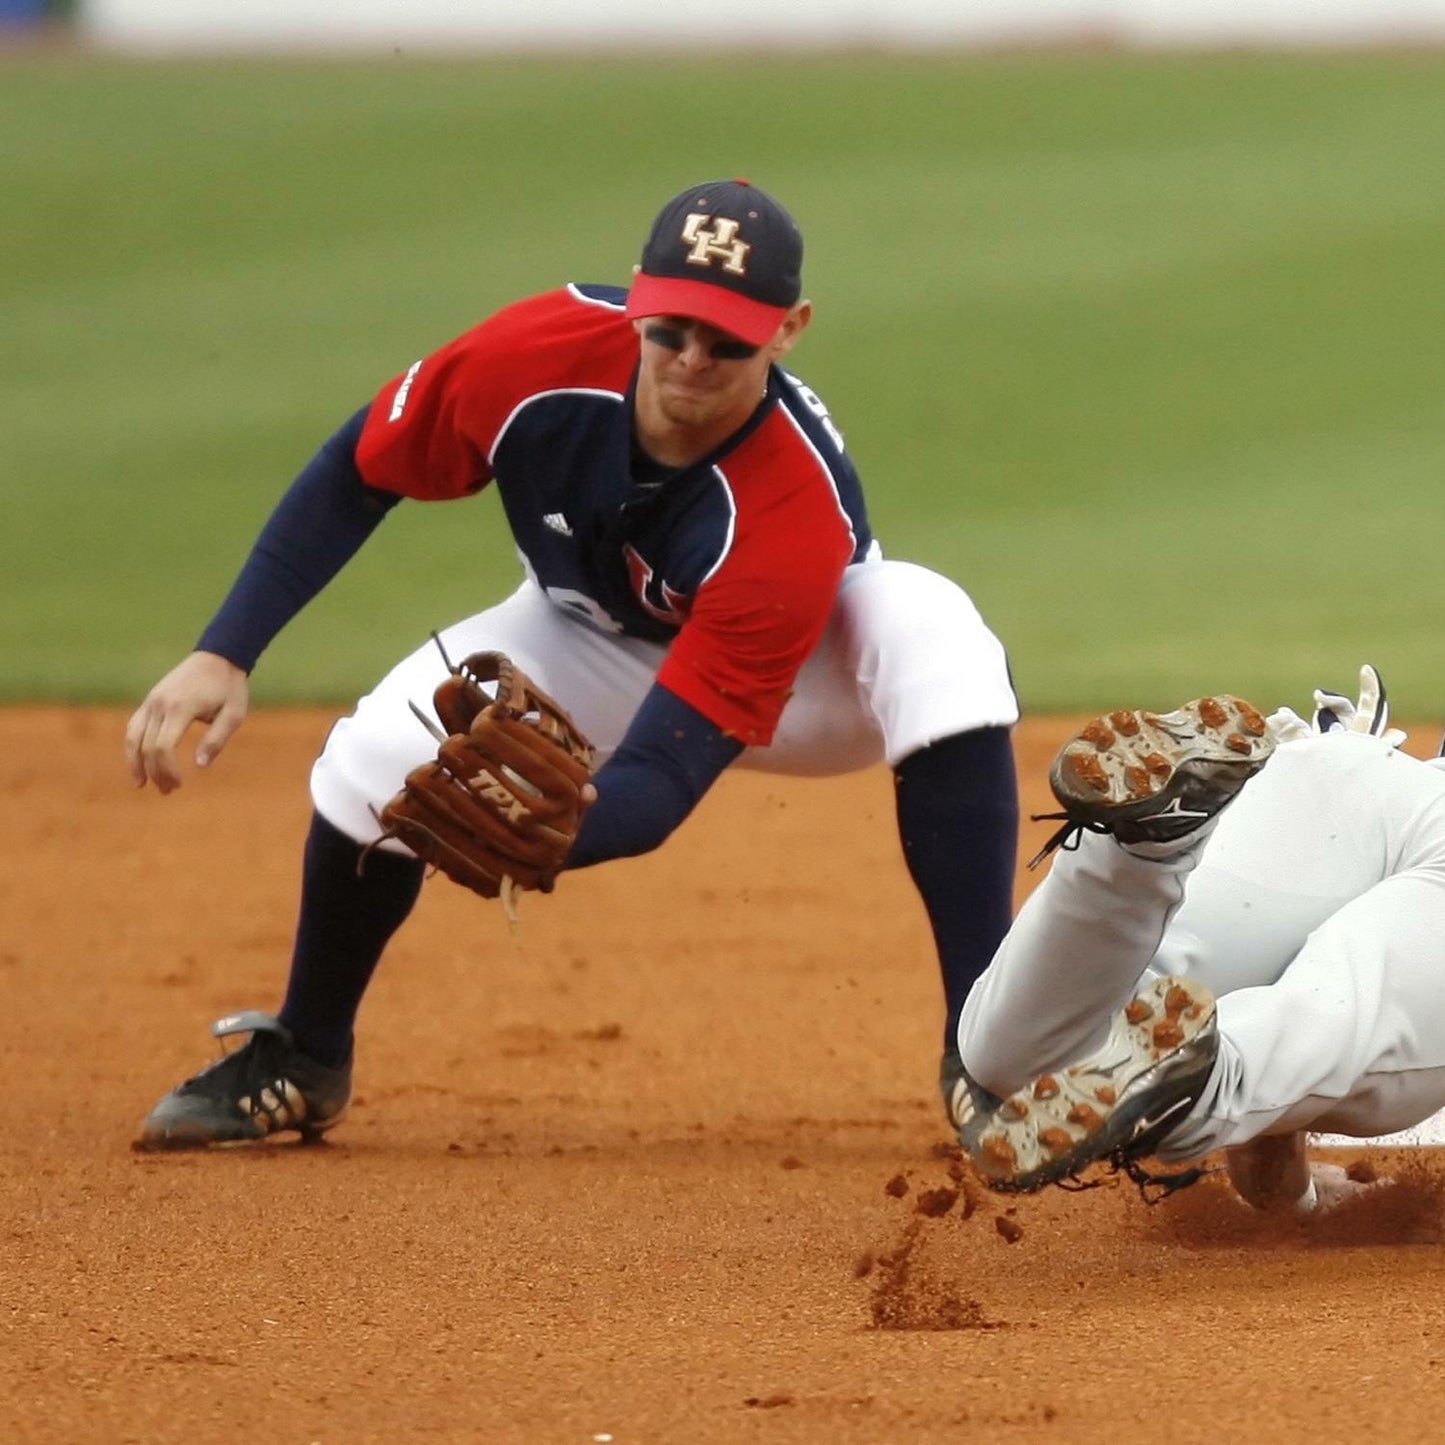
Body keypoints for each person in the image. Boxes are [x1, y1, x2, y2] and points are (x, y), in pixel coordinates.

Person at [125, 178, 1021, 1149]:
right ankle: (303, 1054)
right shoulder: (531, 356)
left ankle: (988, 1059)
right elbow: (360, 465)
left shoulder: (785, 509)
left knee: (932, 627)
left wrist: (562, 829)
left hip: (816, 678)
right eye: (673, 327)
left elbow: (666, 771)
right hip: (586, 628)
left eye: (729, 341)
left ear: (789, 329)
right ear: (637, 297)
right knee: (376, 753)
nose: (692, 359)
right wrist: (227, 647)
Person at [949, 666, 1445, 1212]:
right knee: (1304, 1045)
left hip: (1331, 778)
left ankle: (1140, 852)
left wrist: (1292, 1202)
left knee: (1027, 1057)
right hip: (1410, 822)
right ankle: (1205, 1088)